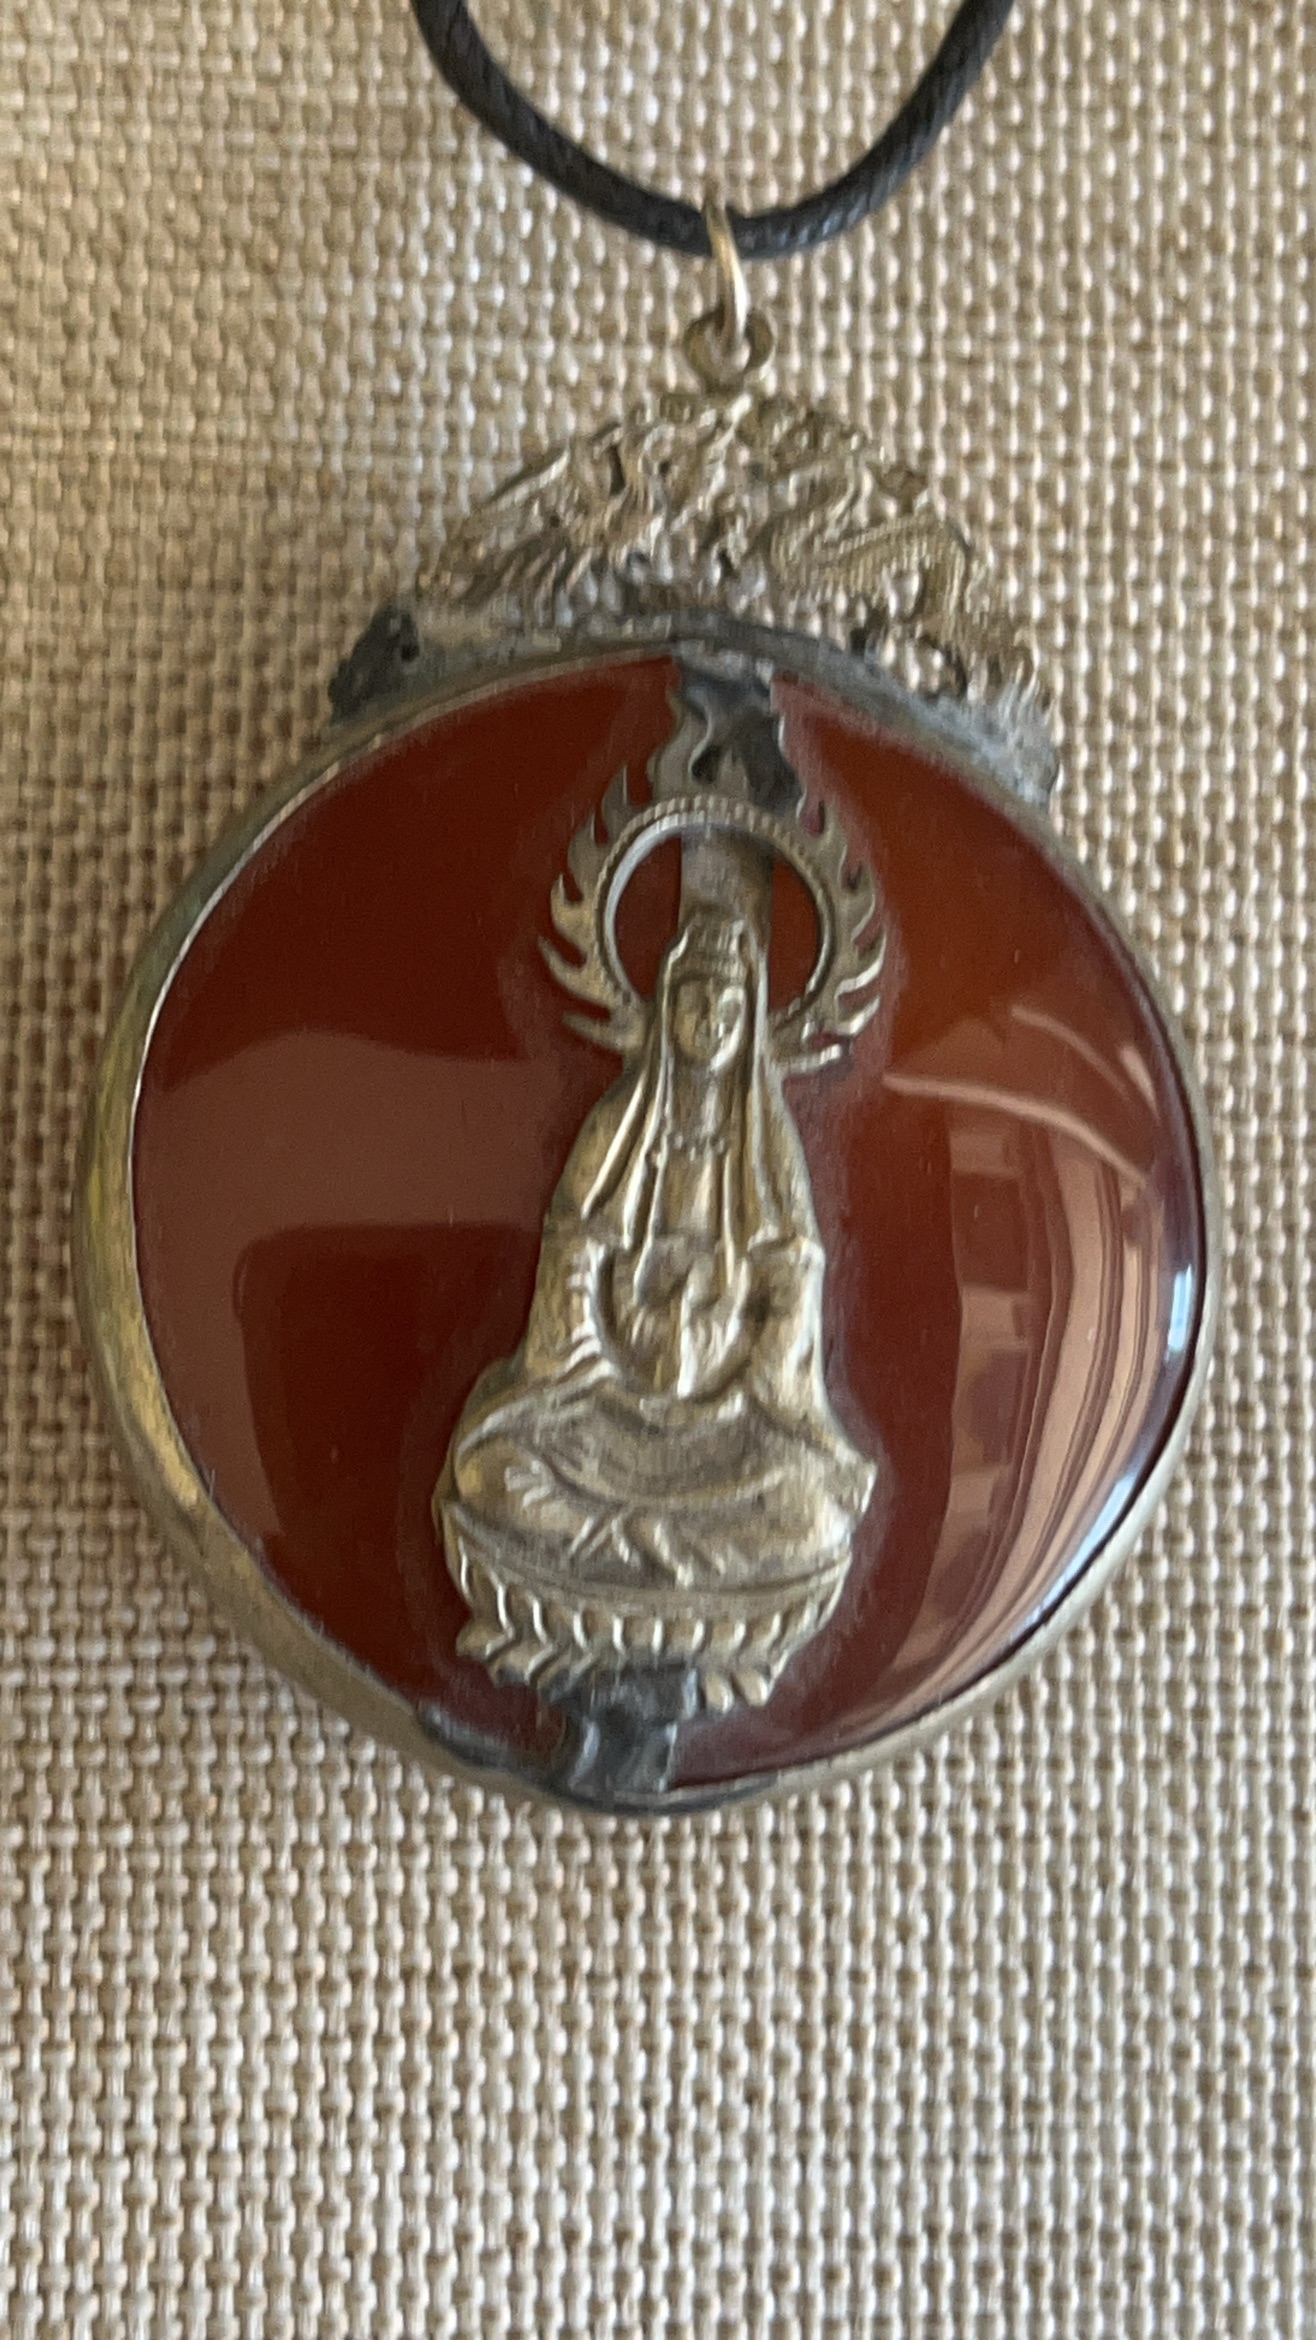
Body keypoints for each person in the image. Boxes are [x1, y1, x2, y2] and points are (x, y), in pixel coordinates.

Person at [436, 906, 876, 1716]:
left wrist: (736, 1381)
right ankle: (659, 1563)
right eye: (694, 1000)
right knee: (489, 1475)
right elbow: (570, 1272)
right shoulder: (617, 1129)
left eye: (729, 1007)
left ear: (751, 1021)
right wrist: (611, 1362)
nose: (710, 1022)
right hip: (604, 1418)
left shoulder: (769, 1150)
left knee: (811, 1515)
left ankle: (621, 1564)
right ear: (666, 1006)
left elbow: (792, 1297)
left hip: (728, 1432)